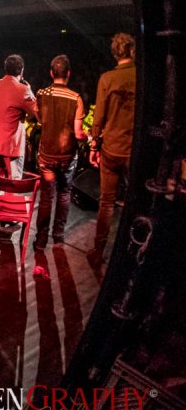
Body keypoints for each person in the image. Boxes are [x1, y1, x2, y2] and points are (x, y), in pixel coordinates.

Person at [88, 33, 136, 266]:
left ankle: (98, 251)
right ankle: (131, 250)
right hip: (133, 150)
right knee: (134, 200)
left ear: (115, 53)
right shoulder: (140, 76)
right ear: (132, 51)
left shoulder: (107, 78)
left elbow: (99, 117)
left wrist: (94, 143)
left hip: (111, 147)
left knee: (106, 203)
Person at [32, 55, 87, 251]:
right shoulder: (76, 99)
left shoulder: (41, 93)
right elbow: (79, 133)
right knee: (64, 194)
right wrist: (88, 138)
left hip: (47, 154)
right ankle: (58, 236)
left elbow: (39, 118)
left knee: (47, 197)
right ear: (69, 74)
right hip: (67, 156)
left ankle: (40, 240)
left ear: (51, 73)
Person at [0, 54, 37, 179]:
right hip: (12, 146)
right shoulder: (23, 90)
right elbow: (38, 113)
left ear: (5, 68)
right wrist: (29, 90)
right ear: (22, 70)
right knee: (13, 185)